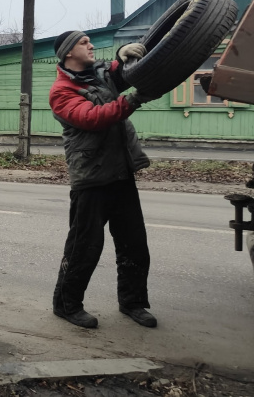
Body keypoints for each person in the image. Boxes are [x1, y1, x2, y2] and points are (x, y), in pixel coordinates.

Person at [49, 30, 163, 329]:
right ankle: (66, 304)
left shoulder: (101, 74)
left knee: (134, 243)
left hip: (121, 173)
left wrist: (125, 51)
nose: (91, 45)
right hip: (91, 179)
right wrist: (134, 100)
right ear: (68, 53)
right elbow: (93, 118)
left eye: (90, 41)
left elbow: (123, 70)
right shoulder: (61, 91)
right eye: (84, 42)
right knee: (84, 247)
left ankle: (133, 302)